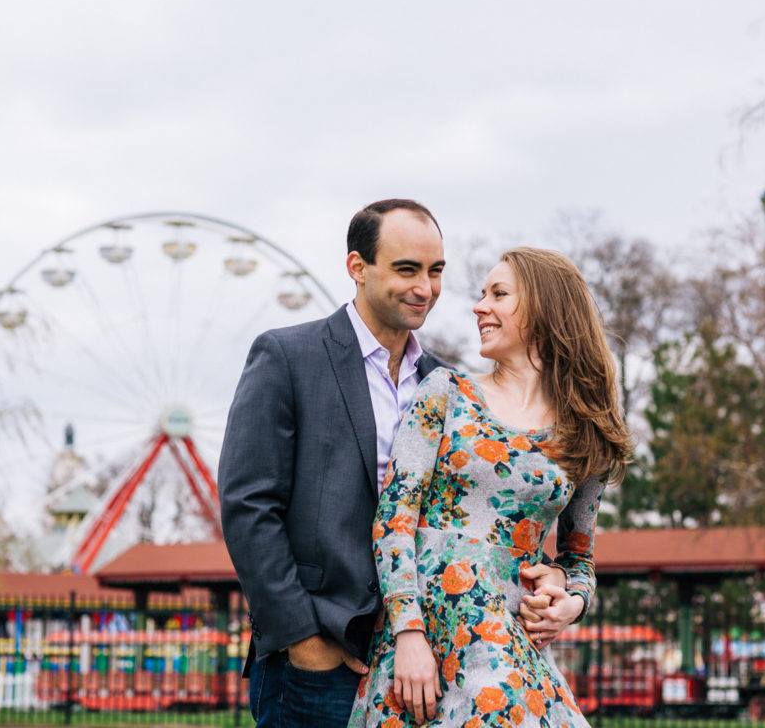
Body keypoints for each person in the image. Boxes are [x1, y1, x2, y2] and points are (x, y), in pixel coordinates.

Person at [218, 203, 566, 728]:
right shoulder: (289, 357)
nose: (424, 287)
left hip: (430, 661)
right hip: (320, 662)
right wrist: (305, 639)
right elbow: (247, 507)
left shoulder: (451, 386)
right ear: (357, 267)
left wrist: (555, 580)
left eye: (436, 271)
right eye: (407, 269)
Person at [348, 247, 632, 727]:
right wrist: (408, 635)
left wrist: (572, 603)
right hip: (425, 644)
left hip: (507, 643)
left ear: (545, 310)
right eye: (482, 295)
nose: (479, 307)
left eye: (498, 294)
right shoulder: (444, 392)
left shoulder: (586, 432)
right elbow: (394, 520)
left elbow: (578, 558)